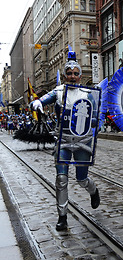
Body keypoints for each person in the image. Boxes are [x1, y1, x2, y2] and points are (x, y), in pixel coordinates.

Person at [30, 49, 100, 231]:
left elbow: (95, 118)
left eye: (75, 74)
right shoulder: (59, 91)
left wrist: (94, 123)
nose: (72, 76)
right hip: (63, 140)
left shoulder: (87, 93)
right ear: (65, 75)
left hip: (83, 141)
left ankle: (93, 191)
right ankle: (62, 217)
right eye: (69, 73)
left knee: (81, 179)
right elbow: (41, 100)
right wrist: (37, 103)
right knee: (61, 178)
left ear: (80, 75)